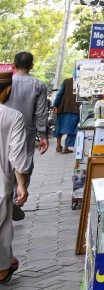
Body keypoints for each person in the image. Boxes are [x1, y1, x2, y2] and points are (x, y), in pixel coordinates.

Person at [6, 53, 47, 222]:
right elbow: (41, 112)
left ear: (13, 65)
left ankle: (6, 199)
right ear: (32, 65)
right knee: (24, 163)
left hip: (4, 127)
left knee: (4, 162)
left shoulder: (6, 82)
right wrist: (43, 135)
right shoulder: (38, 85)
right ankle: (17, 199)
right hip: (26, 130)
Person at [0, 70, 30, 284]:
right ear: (8, 89)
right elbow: (16, 155)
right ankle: (2, 271)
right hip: (1, 183)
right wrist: (22, 185)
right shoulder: (12, 116)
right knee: (2, 228)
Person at [51, 76, 79, 153]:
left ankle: (58, 146)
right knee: (72, 129)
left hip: (63, 107)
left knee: (59, 127)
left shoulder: (67, 81)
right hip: (75, 109)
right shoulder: (83, 82)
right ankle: (66, 147)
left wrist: (55, 105)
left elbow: (60, 94)